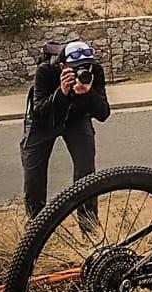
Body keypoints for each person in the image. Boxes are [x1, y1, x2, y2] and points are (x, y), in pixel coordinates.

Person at [21, 39, 111, 225]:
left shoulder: (95, 72)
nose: (82, 71)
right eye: (77, 67)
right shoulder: (46, 71)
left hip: (76, 119)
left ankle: (89, 227)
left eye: (86, 66)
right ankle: (35, 227)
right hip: (43, 122)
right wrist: (62, 92)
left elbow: (103, 113)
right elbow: (40, 112)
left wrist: (88, 93)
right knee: (34, 174)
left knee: (86, 171)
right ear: (63, 65)